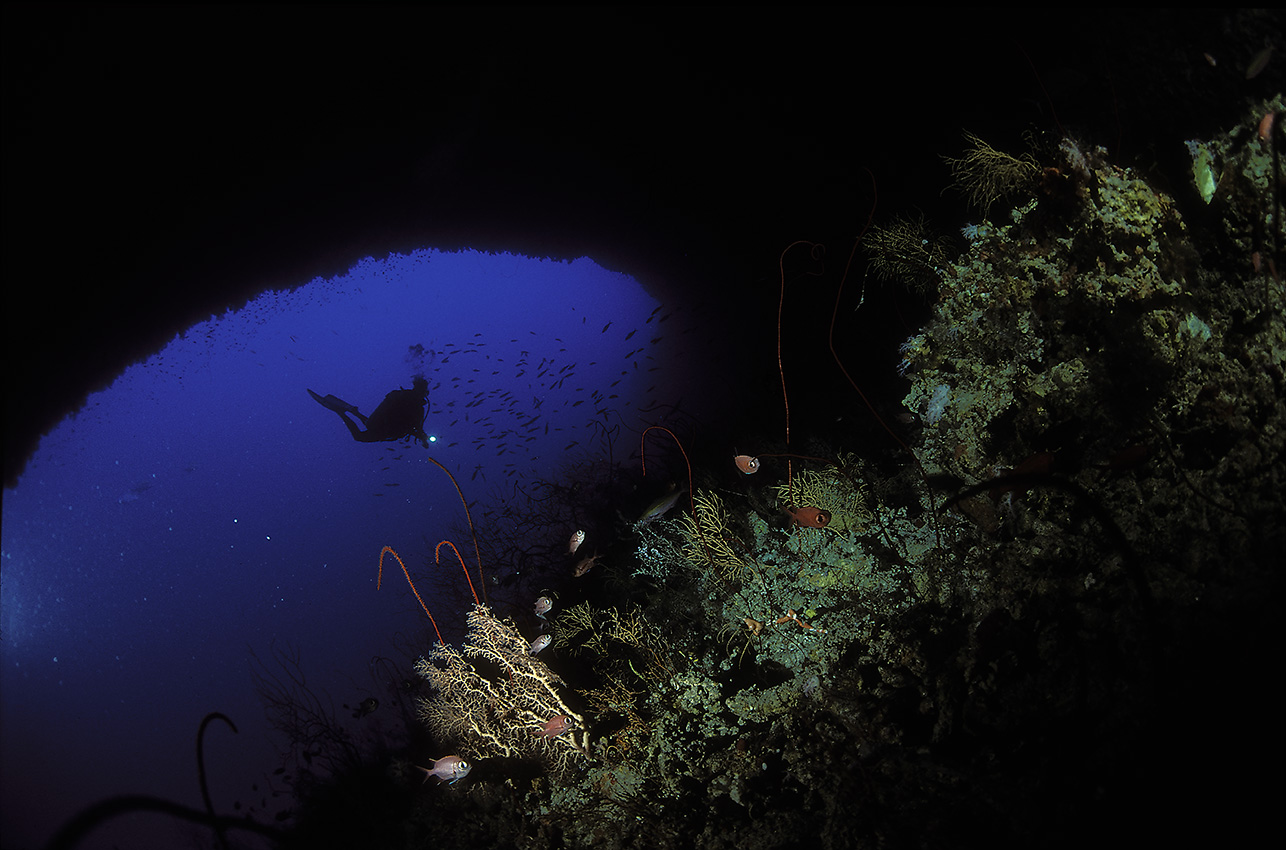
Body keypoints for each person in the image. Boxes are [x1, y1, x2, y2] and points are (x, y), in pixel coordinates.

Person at [308, 376, 430, 447]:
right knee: (358, 436)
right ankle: (341, 412)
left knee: (369, 425)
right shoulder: (418, 408)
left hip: (379, 423)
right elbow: (416, 427)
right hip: (388, 430)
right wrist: (423, 439)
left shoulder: (401, 396)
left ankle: (353, 411)